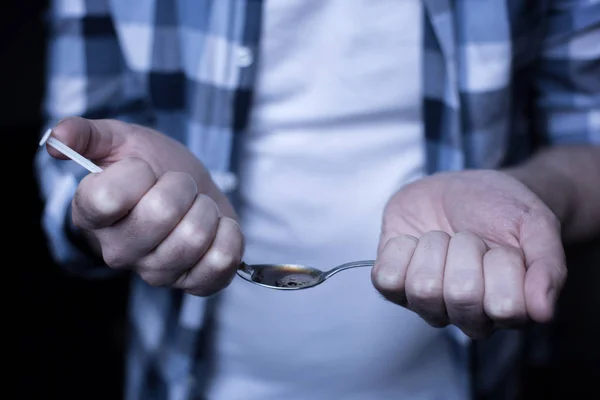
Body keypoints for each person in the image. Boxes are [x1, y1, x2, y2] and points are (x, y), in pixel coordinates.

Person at [35, 0, 599, 399]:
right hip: (181, 378)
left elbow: (590, 141)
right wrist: (120, 204)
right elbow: (69, 154)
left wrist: (530, 199)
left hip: (472, 380)